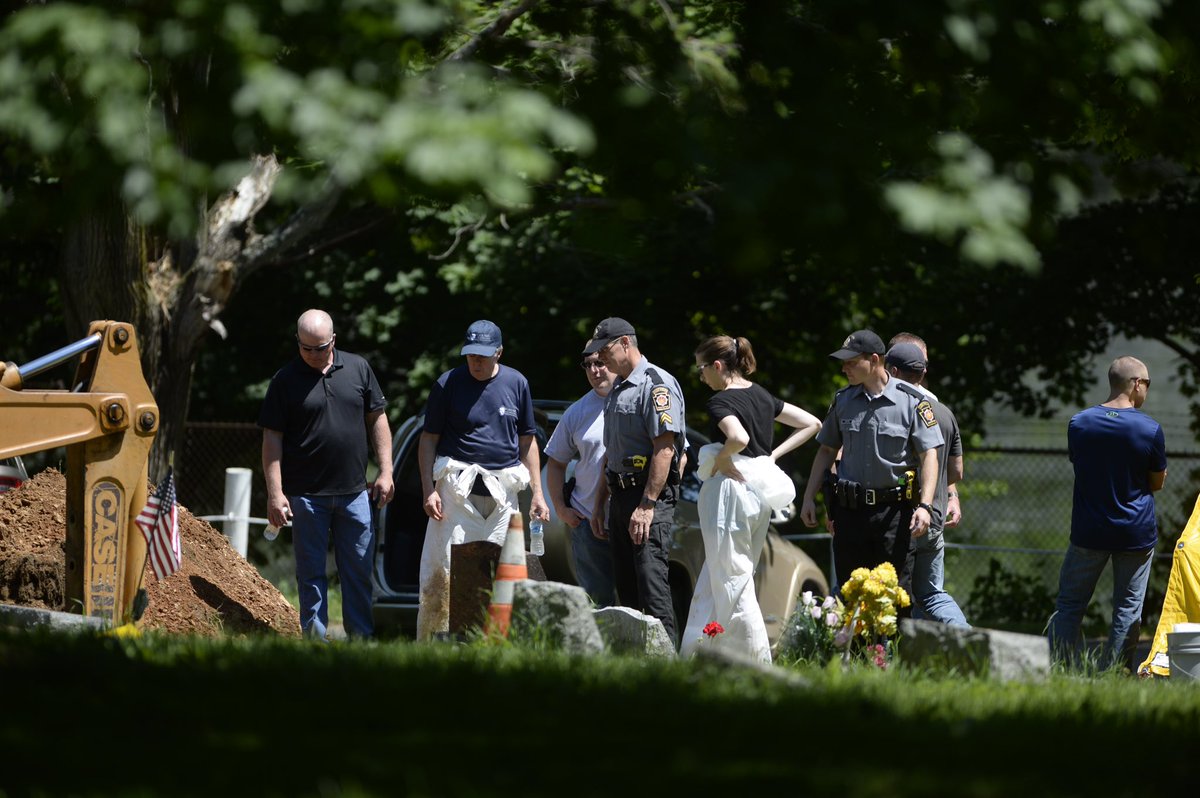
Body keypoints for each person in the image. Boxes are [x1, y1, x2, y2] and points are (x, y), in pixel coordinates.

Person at [679, 335, 822, 662]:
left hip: (730, 493)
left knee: (732, 579)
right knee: (716, 576)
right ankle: (698, 653)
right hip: (758, 495)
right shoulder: (761, 395)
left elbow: (738, 437)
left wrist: (723, 457)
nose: (701, 377)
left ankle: (757, 662)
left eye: (702, 369)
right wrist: (771, 457)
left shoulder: (720, 401)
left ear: (717, 366)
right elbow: (812, 423)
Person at [260, 309, 394, 640]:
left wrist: (386, 470)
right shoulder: (285, 380)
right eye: (306, 348)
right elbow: (271, 439)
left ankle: (360, 641)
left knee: (359, 572)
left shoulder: (359, 368)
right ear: (298, 342)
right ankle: (315, 643)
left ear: (333, 340)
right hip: (306, 497)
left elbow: (377, 419)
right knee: (311, 575)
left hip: (355, 493)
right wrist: (276, 494)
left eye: (320, 348)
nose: (313, 355)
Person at [416, 320, 549, 640]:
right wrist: (428, 490)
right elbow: (428, 440)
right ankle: (439, 643)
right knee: (444, 572)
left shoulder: (517, 383)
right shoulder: (447, 384)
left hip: (503, 493)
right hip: (455, 491)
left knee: (505, 571)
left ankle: (499, 642)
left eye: (483, 356)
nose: (475, 361)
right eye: (471, 355)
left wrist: (539, 494)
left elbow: (527, 441)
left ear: (499, 353)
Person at [799, 329, 943, 597]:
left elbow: (929, 455)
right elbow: (827, 450)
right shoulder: (843, 401)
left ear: (874, 360)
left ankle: (892, 642)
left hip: (894, 514)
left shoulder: (912, 402)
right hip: (849, 513)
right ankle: (856, 642)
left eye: (851, 362)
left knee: (895, 597)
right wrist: (809, 497)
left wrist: (925, 505)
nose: (844, 369)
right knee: (850, 594)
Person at [1049, 356, 1166, 671]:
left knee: (1070, 605)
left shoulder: (1079, 423)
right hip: (1135, 532)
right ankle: (1116, 673)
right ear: (1136, 384)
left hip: (1089, 529)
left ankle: (1059, 668)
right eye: (1147, 384)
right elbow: (1157, 482)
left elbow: (1083, 467)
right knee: (1127, 609)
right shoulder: (1150, 429)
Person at [583, 317, 686, 644]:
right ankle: (631, 664)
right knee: (625, 586)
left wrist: (647, 505)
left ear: (625, 343)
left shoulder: (655, 384)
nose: (602, 358)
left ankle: (664, 664)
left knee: (651, 582)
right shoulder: (617, 389)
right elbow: (611, 454)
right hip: (620, 496)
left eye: (605, 349)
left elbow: (665, 449)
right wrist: (599, 503)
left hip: (647, 498)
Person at [885, 336, 969, 627]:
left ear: (891, 370)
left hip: (898, 517)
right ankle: (966, 639)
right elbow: (956, 471)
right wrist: (949, 495)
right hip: (933, 515)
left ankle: (888, 653)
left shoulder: (886, 407)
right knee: (932, 593)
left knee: (892, 589)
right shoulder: (942, 411)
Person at [544, 350, 618, 607]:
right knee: (597, 605)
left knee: (639, 602)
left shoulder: (640, 399)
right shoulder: (577, 411)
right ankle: (600, 649)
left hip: (632, 519)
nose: (594, 370)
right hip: (587, 522)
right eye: (588, 365)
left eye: (600, 363)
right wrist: (561, 509)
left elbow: (674, 452)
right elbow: (555, 464)